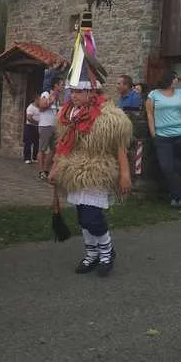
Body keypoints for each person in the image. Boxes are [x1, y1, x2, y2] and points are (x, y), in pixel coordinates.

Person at [49, 37, 132, 277]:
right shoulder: (68, 113)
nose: (74, 95)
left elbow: (119, 146)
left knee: (92, 217)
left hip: (97, 169)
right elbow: (63, 145)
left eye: (79, 91)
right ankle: (92, 253)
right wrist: (55, 168)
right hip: (75, 170)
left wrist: (125, 174)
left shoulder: (107, 116)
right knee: (83, 218)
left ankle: (106, 251)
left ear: (91, 90)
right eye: (72, 91)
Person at [146, 71, 181, 208]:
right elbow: (150, 114)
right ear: (168, 80)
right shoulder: (153, 94)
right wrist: (153, 133)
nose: (177, 80)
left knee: (178, 167)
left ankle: (177, 198)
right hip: (163, 136)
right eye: (174, 78)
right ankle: (179, 196)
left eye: (177, 78)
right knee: (166, 167)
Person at [38, 76, 64, 180]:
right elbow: (41, 107)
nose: (62, 87)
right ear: (56, 85)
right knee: (42, 149)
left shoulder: (58, 97)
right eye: (61, 84)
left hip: (55, 126)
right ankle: (41, 171)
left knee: (53, 149)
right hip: (45, 125)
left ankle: (45, 170)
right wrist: (51, 101)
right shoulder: (46, 94)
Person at [23, 93, 40, 164]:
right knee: (28, 142)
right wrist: (37, 123)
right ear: (36, 100)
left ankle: (34, 157)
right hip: (30, 127)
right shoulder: (30, 107)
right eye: (39, 99)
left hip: (37, 127)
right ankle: (27, 158)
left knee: (37, 143)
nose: (40, 101)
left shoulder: (39, 107)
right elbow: (29, 118)